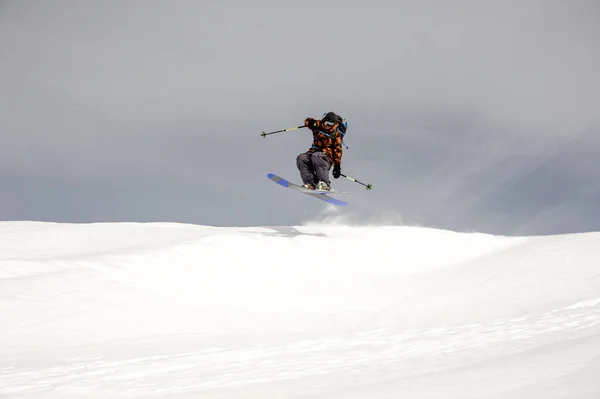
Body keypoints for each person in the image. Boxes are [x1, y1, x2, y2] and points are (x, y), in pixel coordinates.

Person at [296, 112, 343, 191]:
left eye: (330, 124)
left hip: (326, 156)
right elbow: (307, 121)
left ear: (334, 124)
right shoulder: (319, 125)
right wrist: (311, 123)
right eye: (327, 123)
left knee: (317, 156)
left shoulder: (336, 133)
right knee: (302, 158)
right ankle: (310, 183)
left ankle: (324, 183)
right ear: (324, 120)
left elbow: (338, 150)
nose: (328, 125)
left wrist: (337, 166)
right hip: (314, 151)